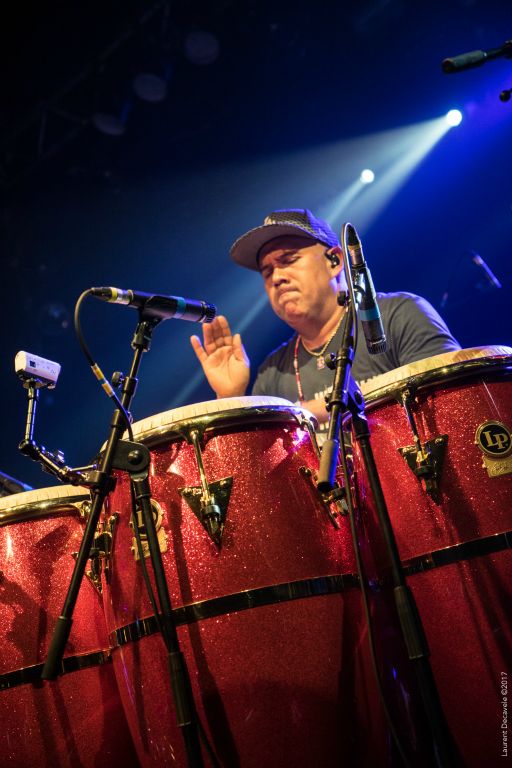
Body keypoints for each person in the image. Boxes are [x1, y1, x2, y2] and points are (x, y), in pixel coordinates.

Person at [190, 209, 460, 436]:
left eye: (288, 260)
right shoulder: (272, 373)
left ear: (335, 261)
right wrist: (231, 397)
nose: (277, 278)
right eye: (267, 271)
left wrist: (310, 411)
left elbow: (455, 405)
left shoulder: (399, 315)